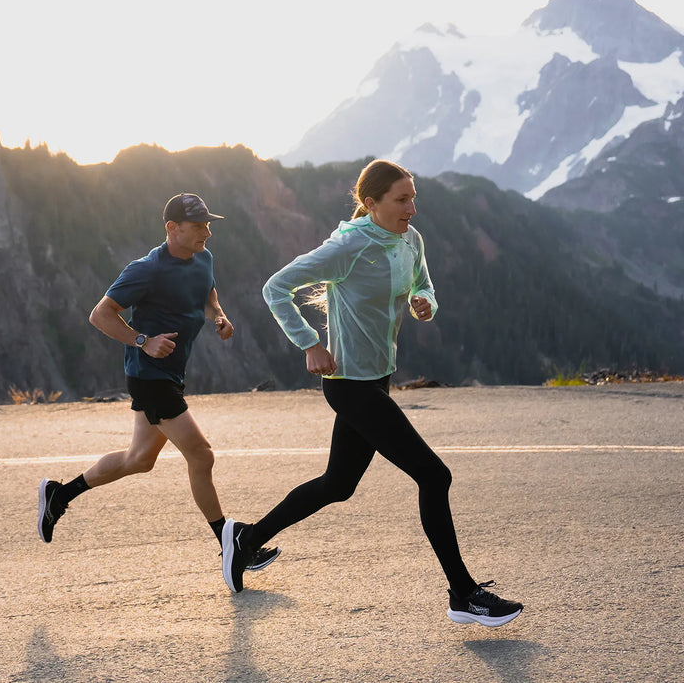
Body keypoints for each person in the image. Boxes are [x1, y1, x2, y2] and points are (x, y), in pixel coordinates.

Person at [219, 160, 522, 628]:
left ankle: (247, 538)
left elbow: (424, 284)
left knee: (338, 485)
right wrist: (310, 344)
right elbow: (275, 287)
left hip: (377, 379)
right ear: (371, 204)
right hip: (348, 385)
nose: (413, 208)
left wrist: (426, 304)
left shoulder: (408, 240)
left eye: (413, 197)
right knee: (434, 476)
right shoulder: (349, 246)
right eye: (402, 200)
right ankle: (464, 595)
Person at [37, 193, 279, 572]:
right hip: (150, 377)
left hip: (171, 374)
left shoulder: (203, 258)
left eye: (208, 224)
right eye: (199, 226)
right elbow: (100, 315)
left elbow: (208, 294)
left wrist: (219, 316)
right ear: (172, 228)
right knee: (202, 455)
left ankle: (58, 495)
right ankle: (232, 542)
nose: (207, 233)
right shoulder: (145, 270)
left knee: (139, 460)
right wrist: (142, 341)